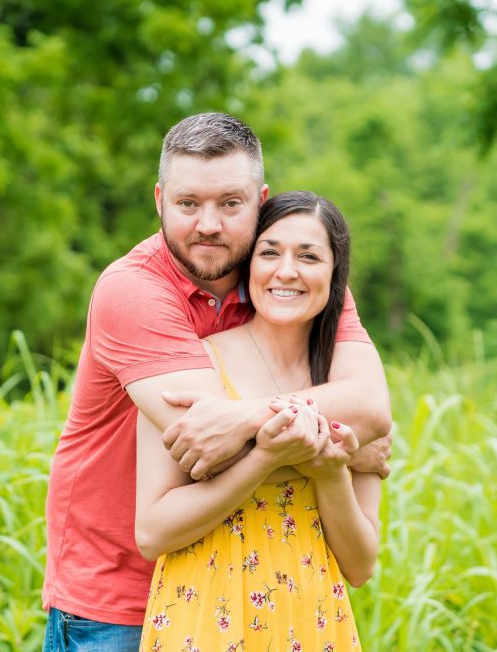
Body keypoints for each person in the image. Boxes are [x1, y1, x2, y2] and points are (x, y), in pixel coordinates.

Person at [43, 113, 391, 652]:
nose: (208, 224)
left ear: (259, 199)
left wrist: (248, 417)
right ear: (159, 200)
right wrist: (346, 454)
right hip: (118, 601)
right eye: (188, 204)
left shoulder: (291, 271)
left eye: (230, 203)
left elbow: (370, 405)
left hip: (269, 604)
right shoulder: (132, 291)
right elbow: (206, 445)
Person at [136, 191, 380, 651]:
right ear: (249, 266)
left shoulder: (345, 388)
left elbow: (361, 565)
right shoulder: (196, 365)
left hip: (311, 624)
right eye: (269, 253)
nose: (286, 271)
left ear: (335, 274)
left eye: (308, 256)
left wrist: (330, 473)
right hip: (206, 621)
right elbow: (152, 532)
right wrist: (266, 457)